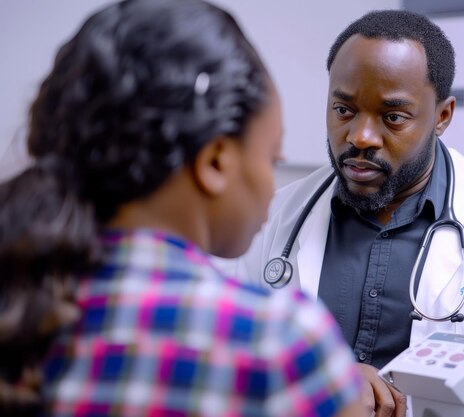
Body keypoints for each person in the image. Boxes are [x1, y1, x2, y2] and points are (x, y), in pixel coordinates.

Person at [0, 0, 368, 416]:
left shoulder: (20, 305)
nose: (272, 186)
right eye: (272, 159)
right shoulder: (280, 344)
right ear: (214, 162)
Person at [226, 9, 464, 417]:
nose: (360, 136)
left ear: (442, 116)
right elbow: (225, 356)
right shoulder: (276, 214)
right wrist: (316, 378)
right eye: (344, 110)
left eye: (393, 117)